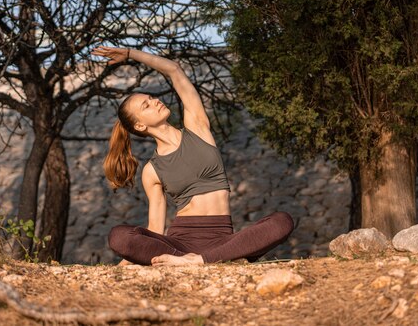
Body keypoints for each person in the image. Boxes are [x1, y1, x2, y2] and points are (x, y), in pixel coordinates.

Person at [92, 46, 294, 266]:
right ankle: (208, 259)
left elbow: (174, 70)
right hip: (179, 246)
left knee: (281, 222)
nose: (155, 101)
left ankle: (201, 260)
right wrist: (131, 256)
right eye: (146, 105)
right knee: (119, 236)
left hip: (223, 238)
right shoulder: (152, 170)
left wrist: (131, 54)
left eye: (151, 97)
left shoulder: (197, 128)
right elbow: (155, 230)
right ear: (140, 125)